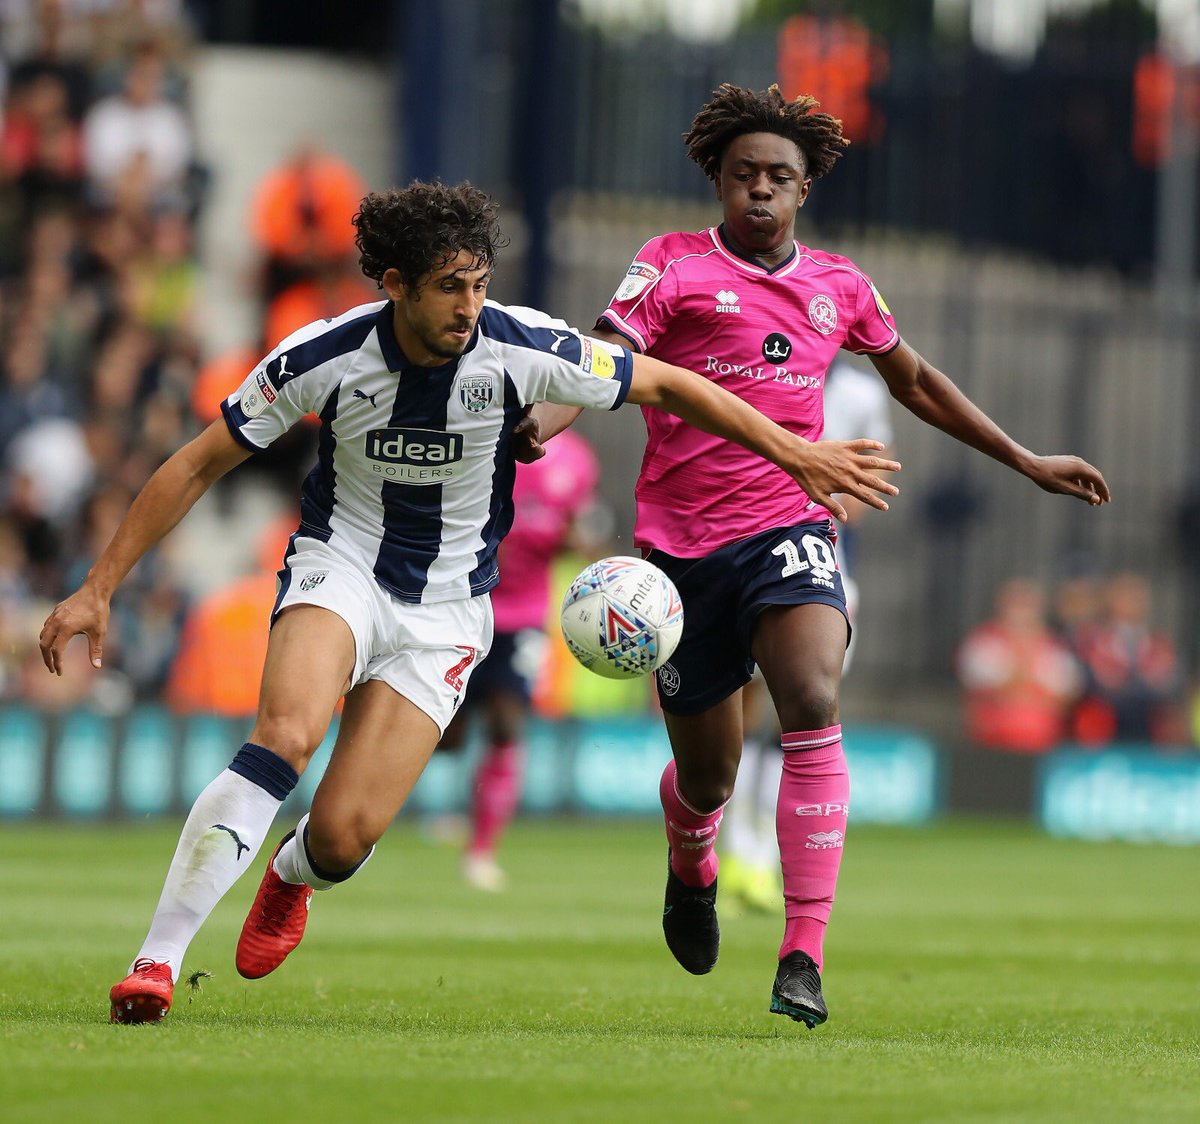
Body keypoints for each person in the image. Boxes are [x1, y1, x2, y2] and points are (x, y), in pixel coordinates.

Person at [39, 179, 903, 1025]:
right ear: (395, 285)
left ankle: (293, 874)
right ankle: (156, 960)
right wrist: (98, 586)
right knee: (286, 735)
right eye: (450, 287)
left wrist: (798, 453)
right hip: (342, 566)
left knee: (342, 840)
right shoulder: (321, 357)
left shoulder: (523, 346)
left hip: (448, 610)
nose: (469, 305)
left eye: (480, 284)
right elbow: (197, 463)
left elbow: (672, 385)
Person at [521, 84, 1109, 1028]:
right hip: (680, 553)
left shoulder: (842, 285)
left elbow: (915, 381)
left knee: (811, 699)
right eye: (743, 173)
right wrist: (539, 426)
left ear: (804, 190)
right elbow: (601, 360)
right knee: (709, 778)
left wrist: (1026, 459)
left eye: (778, 177)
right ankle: (693, 856)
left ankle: (803, 953)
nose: (760, 189)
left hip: (791, 525)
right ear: (718, 180)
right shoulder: (668, 265)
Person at [720, 354, 894, 912]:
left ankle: (763, 859)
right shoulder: (752, 366)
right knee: (740, 713)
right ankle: (738, 852)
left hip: (820, 567)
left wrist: (814, 491)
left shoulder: (862, 394)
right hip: (743, 556)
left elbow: (869, 484)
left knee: (801, 715)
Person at [438, 427, 600, 891]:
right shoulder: (488, 436)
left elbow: (573, 528)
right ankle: (440, 810)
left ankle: (481, 851)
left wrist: (576, 547)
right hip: (466, 606)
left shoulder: (577, 460)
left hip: (526, 616)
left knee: (507, 725)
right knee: (447, 735)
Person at [956, 578, 1081, 753]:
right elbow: (987, 685)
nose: (1021, 613)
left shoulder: (1054, 647)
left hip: (1042, 742)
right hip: (992, 741)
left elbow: (1066, 694)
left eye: (1027, 605)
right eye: (1016, 604)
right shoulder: (983, 642)